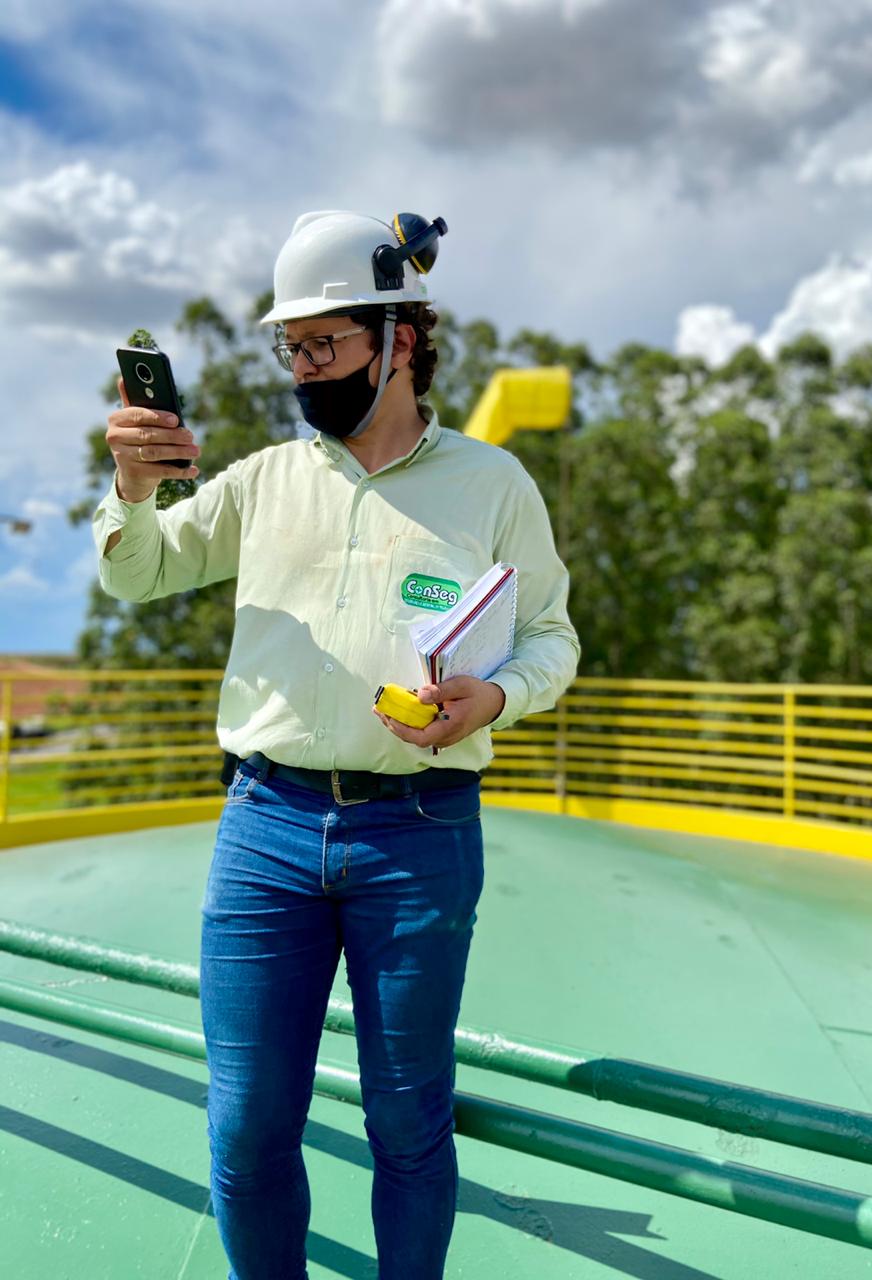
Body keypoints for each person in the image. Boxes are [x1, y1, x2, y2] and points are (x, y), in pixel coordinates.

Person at [92, 209, 580, 1280]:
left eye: (325, 344)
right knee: (246, 1127)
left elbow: (553, 636)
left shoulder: (494, 485)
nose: (304, 368)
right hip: (264, 826)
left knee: (409, 1125)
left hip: (419, 832)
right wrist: (131, 489)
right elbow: (137, 571)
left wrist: (491, 698)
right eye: (292, 346)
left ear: (400, 338)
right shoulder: (266, 481)